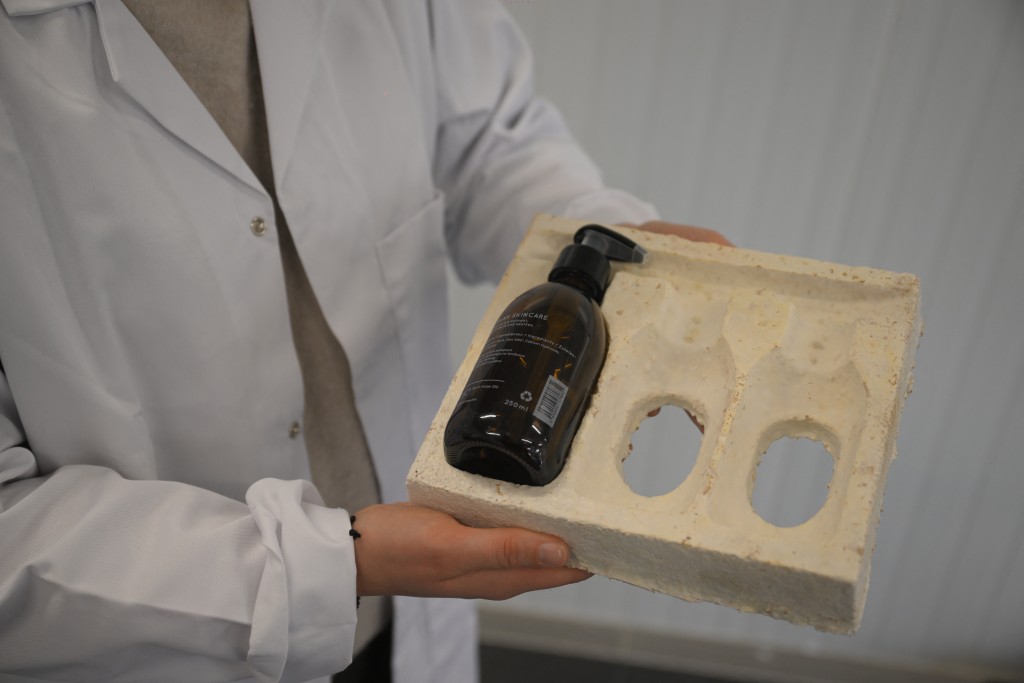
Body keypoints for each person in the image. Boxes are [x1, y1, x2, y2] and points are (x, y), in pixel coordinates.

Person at [0, 1, 729, 681]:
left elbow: (486, 142)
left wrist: (603, 234)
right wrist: (320, 568)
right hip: (173, 641)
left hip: (415, 599)